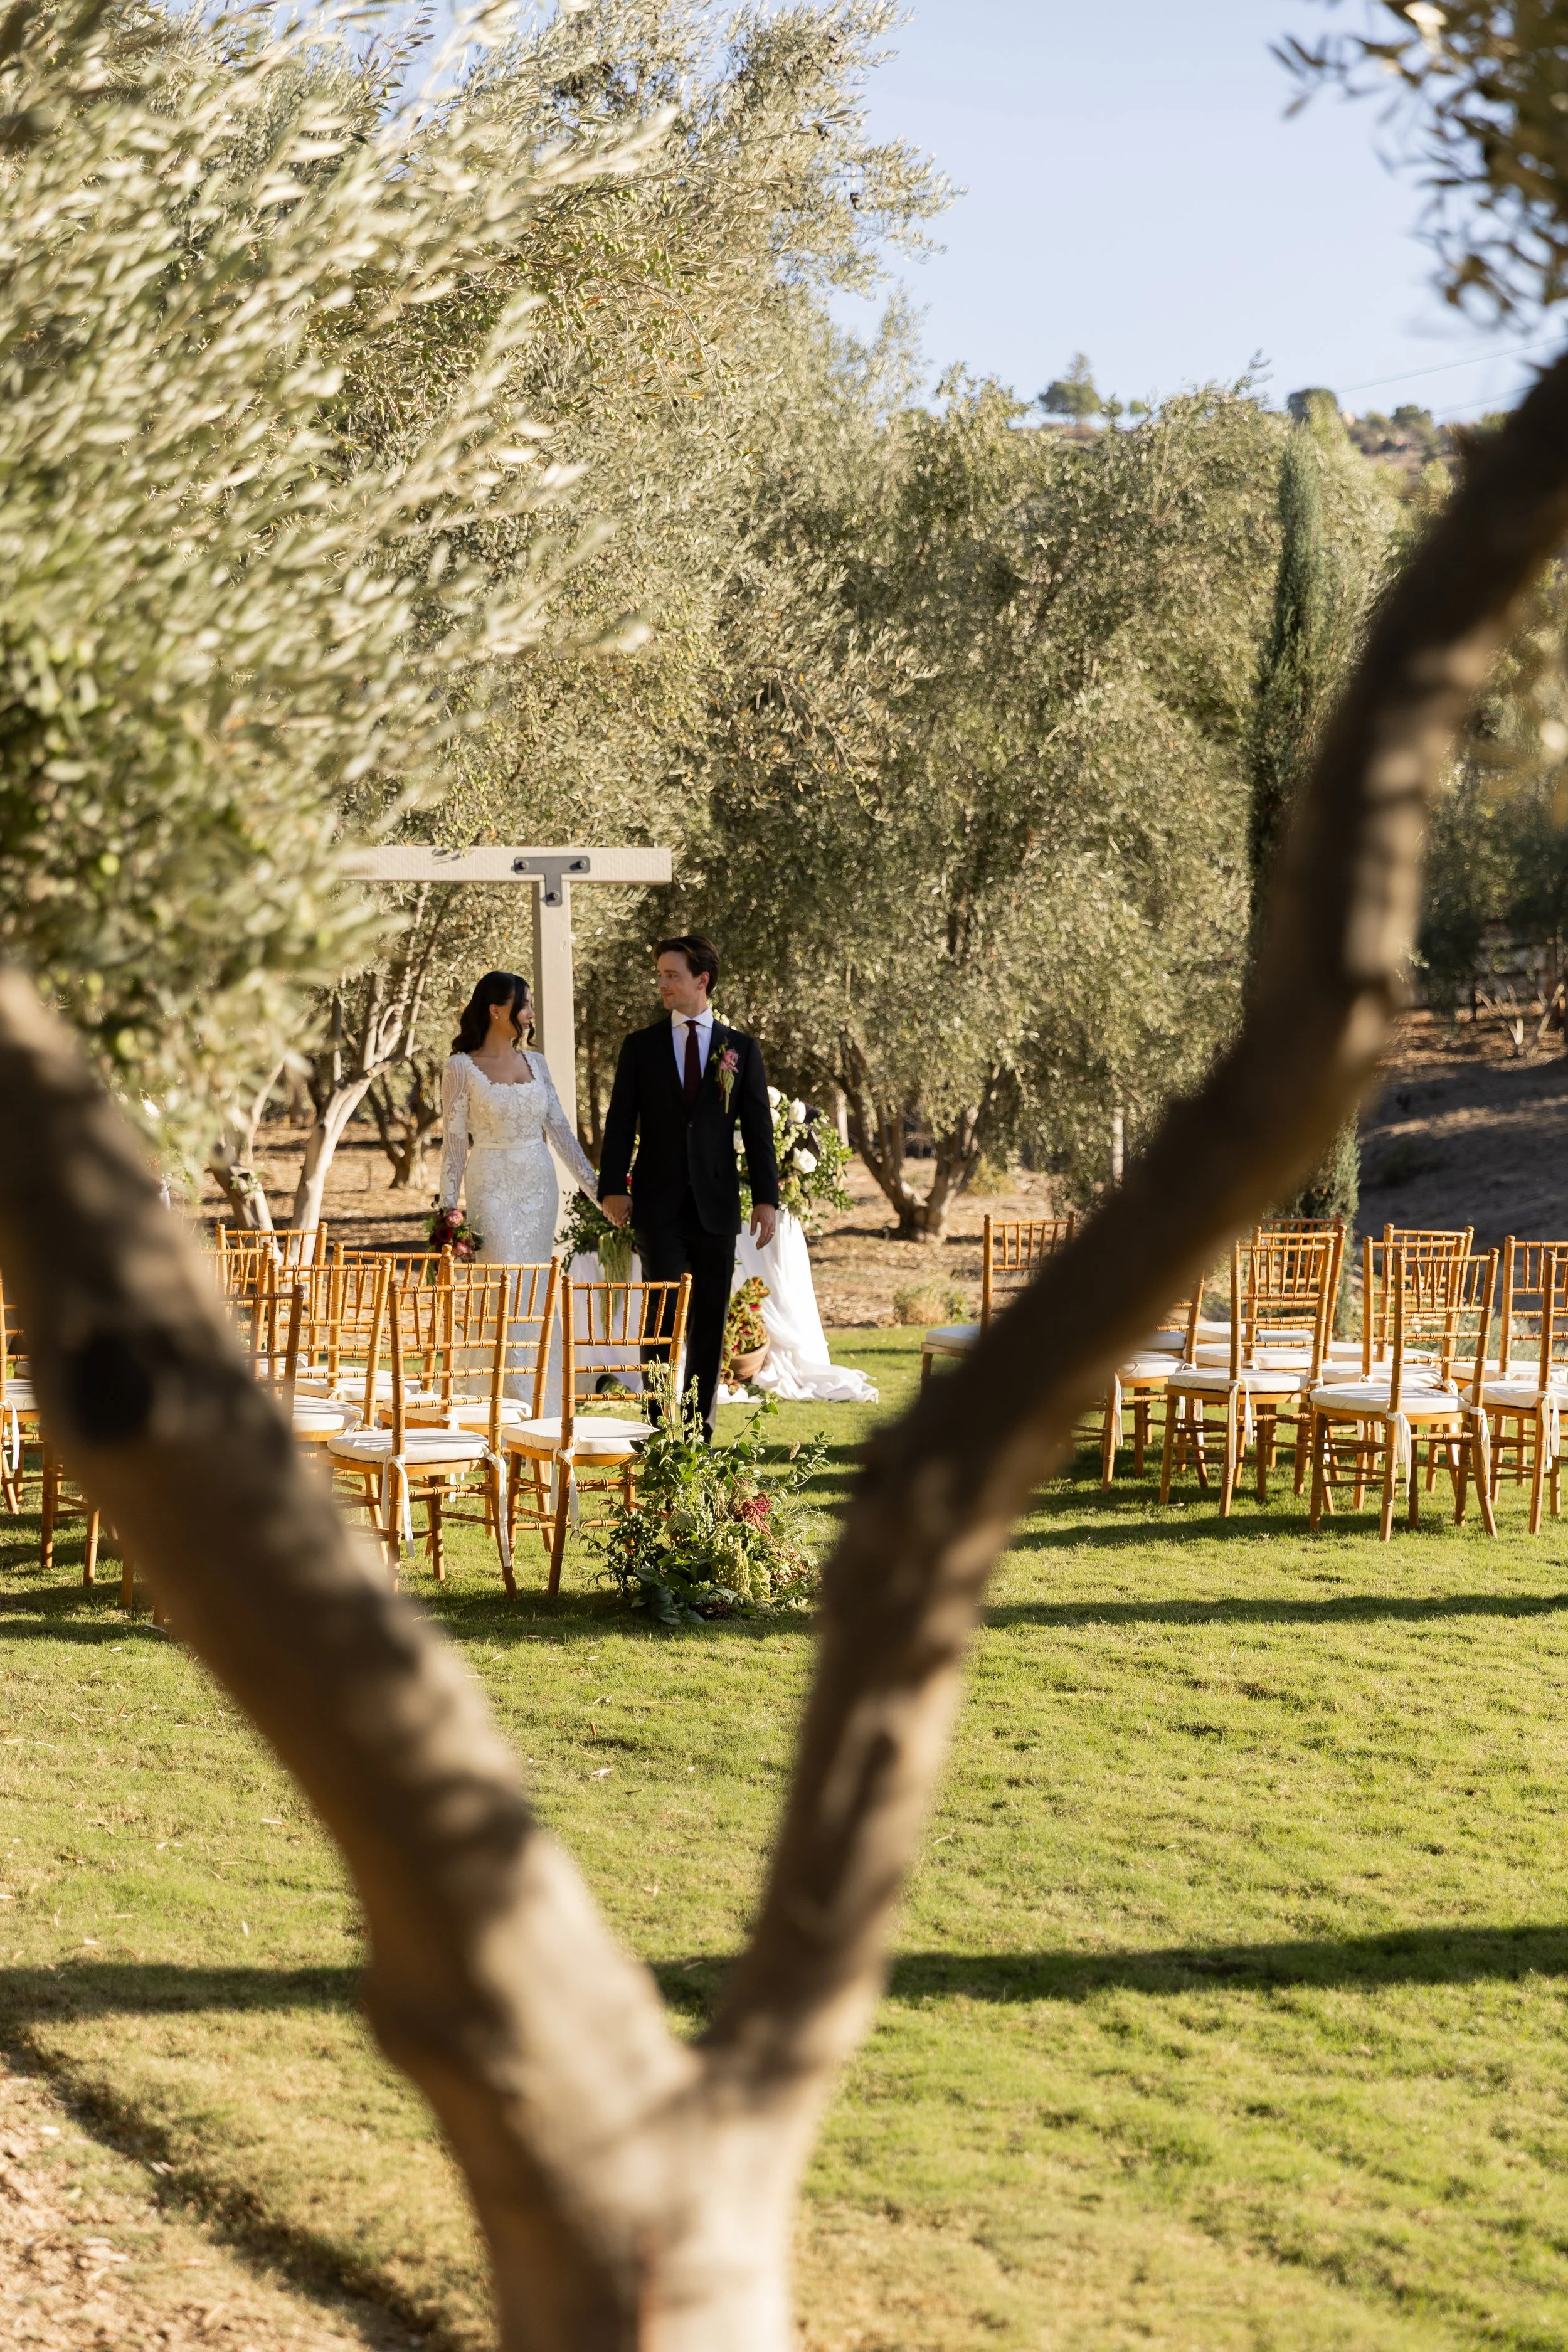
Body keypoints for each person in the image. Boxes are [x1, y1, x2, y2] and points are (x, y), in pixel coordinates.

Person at [599, 934, 779, 1436]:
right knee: (660, 1319)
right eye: (660, 975)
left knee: (708, 1322)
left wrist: (766, 1199)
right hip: (657, 1206)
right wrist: (614, 1186)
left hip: (717, 1207)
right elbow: (619, 1124)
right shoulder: (640, 1047)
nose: (662, 983)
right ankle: (659, 1427)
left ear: (702, 980)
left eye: (671, 975)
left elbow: (758, 1130)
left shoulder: (740, 1050)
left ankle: (700, 1431)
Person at [439, 970, 599, 1266]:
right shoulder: (460, 1067)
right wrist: (447, 1219)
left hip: (539, 1184)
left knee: (536, 1275)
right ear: (495, 1010)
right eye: (524, 1005)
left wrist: (601, 1196)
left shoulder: (537, 1063)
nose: (531, 1014)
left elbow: (562, 1134)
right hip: (489, 1184)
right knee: (501, 1274)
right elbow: (455, 1146)